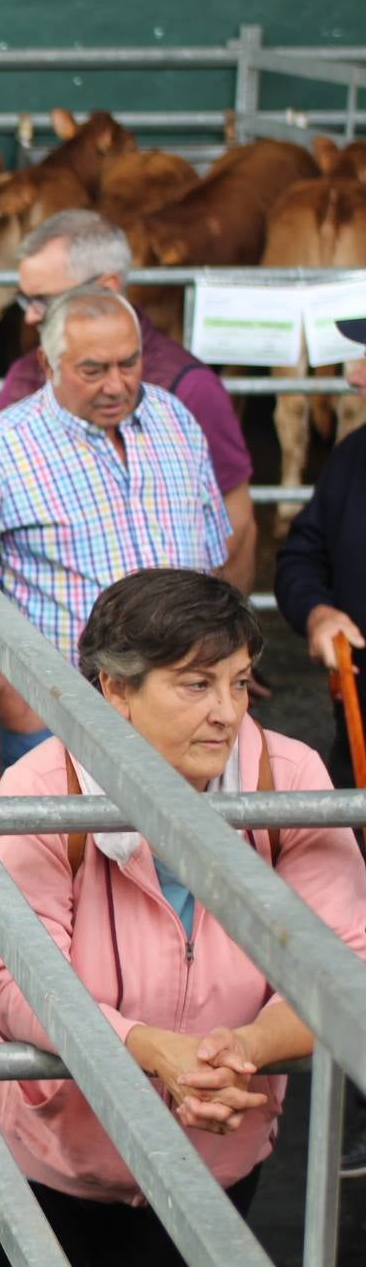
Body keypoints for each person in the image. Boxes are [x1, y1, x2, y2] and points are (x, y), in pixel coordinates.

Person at [0, 569, 366, 1263]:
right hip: (49, 1159)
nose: (228, 712)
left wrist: (242, 1050)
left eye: (238, 681)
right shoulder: (43, 789)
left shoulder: (291, 778)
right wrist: (154, 1052)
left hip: (217, 1146)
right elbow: (14, 981)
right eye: (195, 684)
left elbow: (346, 957)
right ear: (116, 689)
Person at [0, 286, 233, 771]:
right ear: (47, 364)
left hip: (184, 715)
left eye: (129, 364)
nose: (116, 385)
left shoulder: (177, 422)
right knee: (69, 848)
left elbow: (211, 568)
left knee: (187, 846)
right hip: (59, 719)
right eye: (93, 370)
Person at [0, 209, 257, 592]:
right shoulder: (22, 377)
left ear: (108, 286)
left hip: (167, 633)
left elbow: (236, 529)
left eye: (44, 300)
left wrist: (215, 638)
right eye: (25, 300)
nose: (32, 317)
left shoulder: (187, 390)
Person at [272, 316, 366, 1179]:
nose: (353, 371)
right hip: (362, 731)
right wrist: (318, 610)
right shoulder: (354, 457)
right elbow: (299, 551)